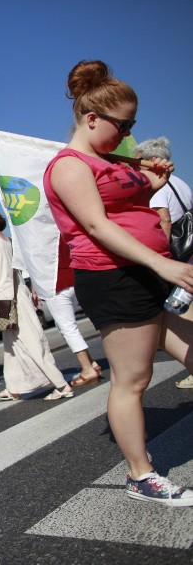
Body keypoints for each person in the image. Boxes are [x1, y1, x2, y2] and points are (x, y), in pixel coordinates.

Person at [44, 60, 193, 506]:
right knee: (133, 378)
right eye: (123, 124)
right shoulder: (69, 166)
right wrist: (162, 265)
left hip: (147, 270)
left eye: (132, 123)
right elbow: (97, 226)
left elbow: (123, 209)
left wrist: (150, 185)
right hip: (114, 278)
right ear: (92, 119)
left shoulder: (106, 159)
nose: (128, 132)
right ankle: (140, 475)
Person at [0, 209, 73, 401]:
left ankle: (61, 384)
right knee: (11, 345)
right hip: (19, 293)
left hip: (4, 295)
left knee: (30, 340)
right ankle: (14, 386)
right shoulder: (8, 240)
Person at [136, 137, 193, 390]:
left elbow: (164, 220)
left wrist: (161, 259)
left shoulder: (158, 187)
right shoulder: (179, 182)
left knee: (183, 314)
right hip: (190, 249)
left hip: (176, 254)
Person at [37, 241, 103, 387]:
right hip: (74, 276)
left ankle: (87, 369)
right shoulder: (57, 229)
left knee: (67, 327)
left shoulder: (38, 236)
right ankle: (92, 363)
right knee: (66, 326)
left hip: (56, 283)